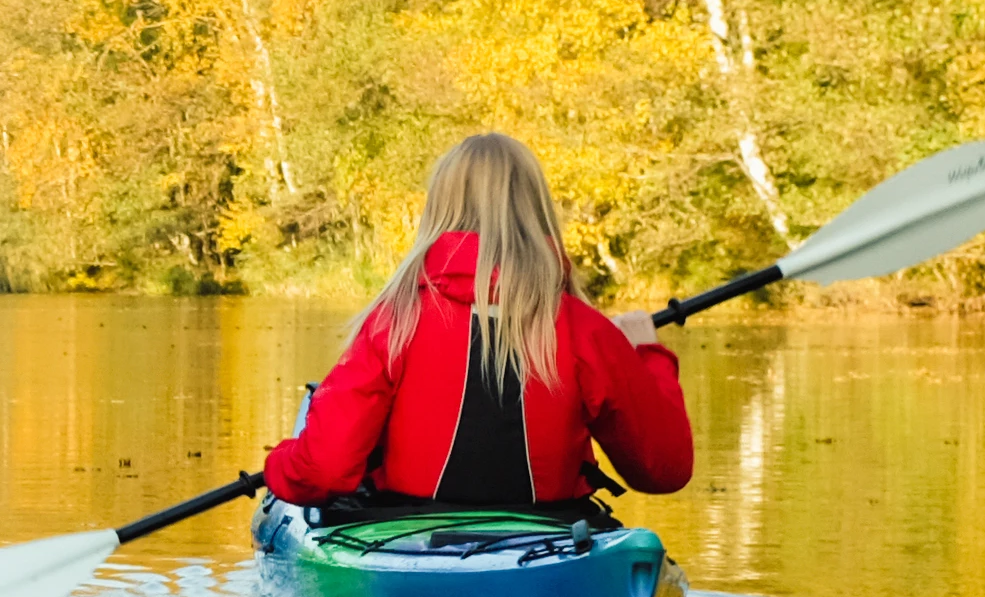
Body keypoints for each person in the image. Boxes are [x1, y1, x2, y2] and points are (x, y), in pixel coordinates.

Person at [259, 131, 693, 519]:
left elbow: (324, 471)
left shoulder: (396, 321)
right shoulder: (585, 329)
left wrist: (277, 464)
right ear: (536, 211)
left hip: (409, 533)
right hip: (550, 533)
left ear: (439, 211)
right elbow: (664, 470)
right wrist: (646, 354)